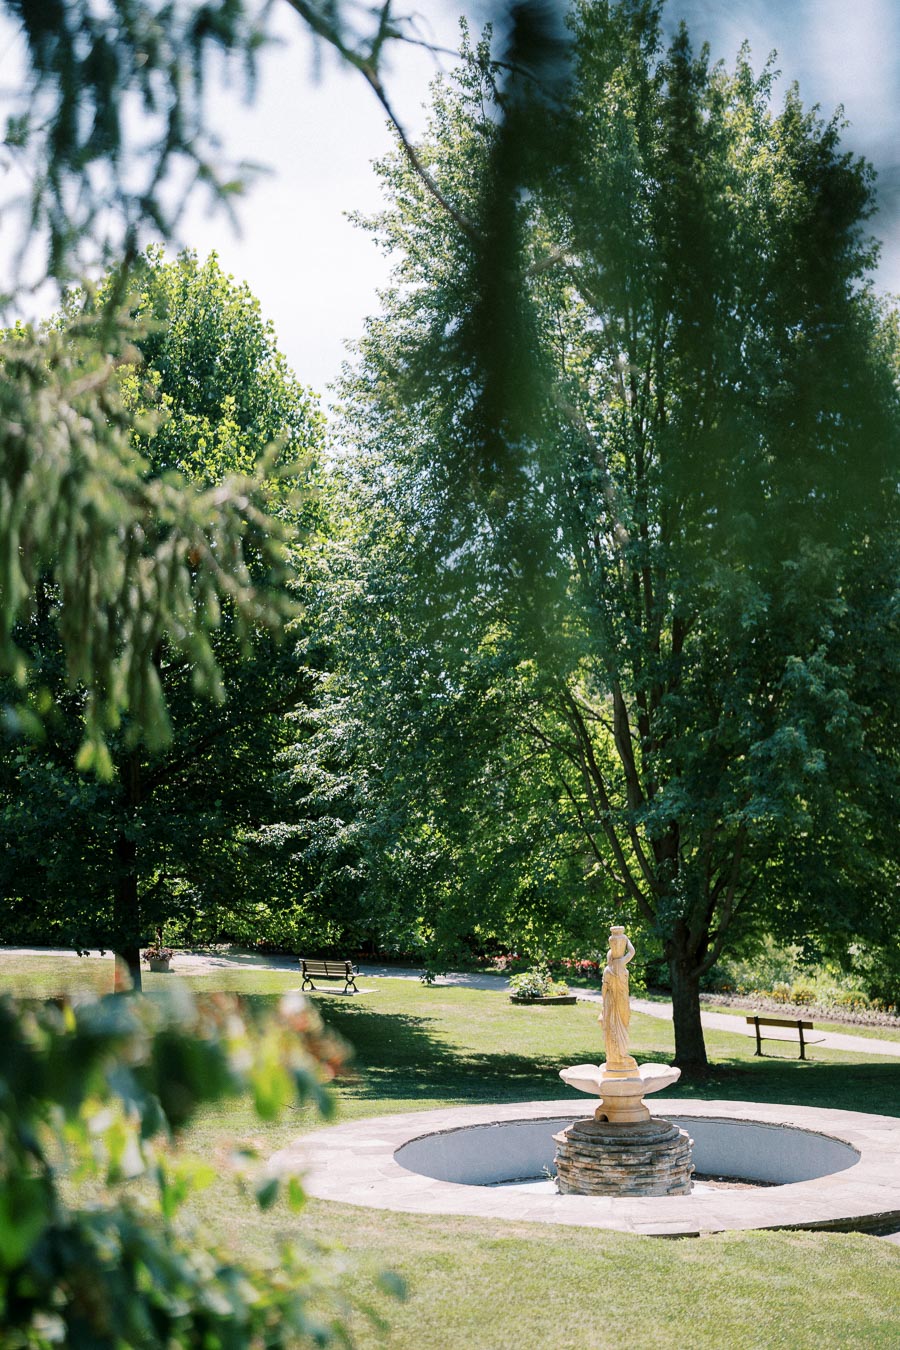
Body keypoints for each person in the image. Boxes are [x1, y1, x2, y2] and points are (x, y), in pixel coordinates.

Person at [600, 925, 638, 1074]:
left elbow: (604, 990)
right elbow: (632, 951)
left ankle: (615, 1056)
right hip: (622, 1001)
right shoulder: (621, 964)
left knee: (613, 1025)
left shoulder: (608, 969)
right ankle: (619, 1056)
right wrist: (627, 940)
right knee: (623, 1023)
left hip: (612, 1002)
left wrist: (604, 1006)